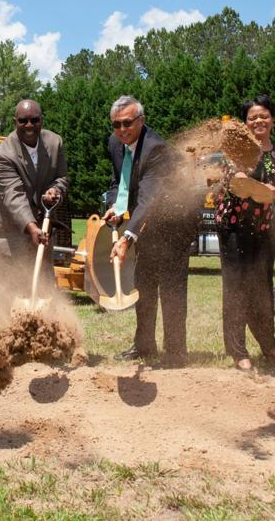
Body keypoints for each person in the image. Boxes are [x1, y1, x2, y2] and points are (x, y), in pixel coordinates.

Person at [104, 95, 195, 368]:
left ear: (141, 121)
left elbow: (149, 198)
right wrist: (115, 206)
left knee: (171, 289)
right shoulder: (114, 144)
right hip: (147, 226)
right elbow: (119, 181)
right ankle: (144, 346)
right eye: (116, 124)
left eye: (127, 123)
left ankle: (176, 352)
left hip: (173, 224)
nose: (122, 130)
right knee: (144, 285)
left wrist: (127, 237)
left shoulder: (156, 149)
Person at [214, 95, 275, 371]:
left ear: (271, 119)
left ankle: (268, 346)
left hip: (263, 228)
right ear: (245, 123)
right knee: (236, 288)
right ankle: (238, 352)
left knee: (262, 288)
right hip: (234, 228)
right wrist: (265, 192)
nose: (259, 121)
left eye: (264, 116)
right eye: (252, 117)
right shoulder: (237, 147)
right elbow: (236, 182)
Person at [0, 100, 69, 311]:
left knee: (44, 283)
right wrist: (31, 227)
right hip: (5, 229)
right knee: (10, 288)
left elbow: (62, 177)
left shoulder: (54, 142)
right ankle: (7, 337)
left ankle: (48, 334)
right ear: (15, 122)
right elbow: (14, 196)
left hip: (40, 225)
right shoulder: (2, 154)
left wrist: (55, 190)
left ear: (41, 120)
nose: (29, 125)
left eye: (34, 120)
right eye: (23, 121)